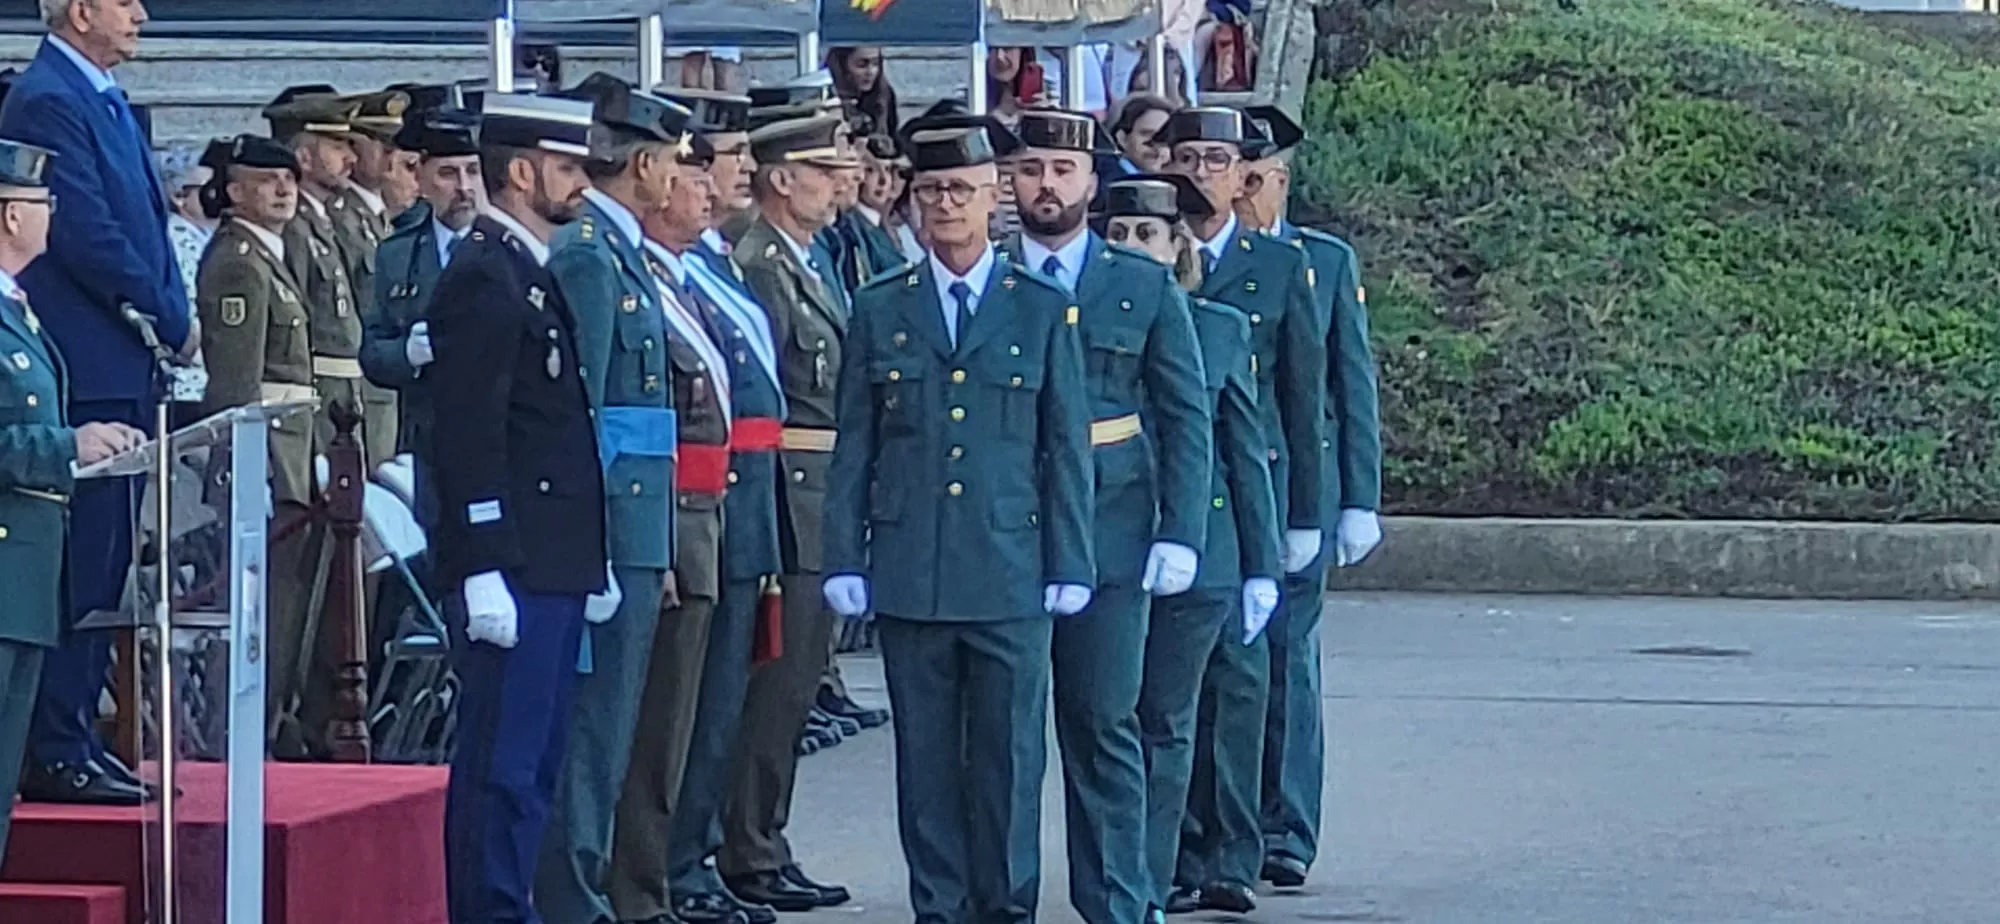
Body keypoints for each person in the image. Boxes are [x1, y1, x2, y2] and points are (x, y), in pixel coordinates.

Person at [820, 125, 1095, 924]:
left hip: (1010, 565)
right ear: (913, 201)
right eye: (933, 191)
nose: (947, 205)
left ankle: (1005, 905)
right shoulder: (881, 305)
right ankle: (938, 906)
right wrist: (844, 555)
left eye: (963, 191)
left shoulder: (1039, 307)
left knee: (1009, 755)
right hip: (914, 565)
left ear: (993, 199)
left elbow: (1064, 445)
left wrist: (1070, 560)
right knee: (927, 757)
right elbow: (857, 443)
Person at [998, 108, 1213, 924]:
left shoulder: (1141, 282)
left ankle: (1122, 898)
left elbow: (1184, 415)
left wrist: (1181, 531)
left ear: (1092, 180)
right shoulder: (988, 276)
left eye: (1062, 170)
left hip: (1112, 523)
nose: (1045, 185)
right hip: (1009, 523)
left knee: (1104, 722)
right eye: (1030, 170)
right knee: (1006, 736)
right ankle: (1003, 899)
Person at [427, 91, 607, 924]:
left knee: (534, 761)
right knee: (501, 764)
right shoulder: (484, 276)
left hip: (552, 557)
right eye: (567, 167)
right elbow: (469, 432)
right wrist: (482, 562)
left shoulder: (524, 269)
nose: (582, 183)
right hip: (516, 561)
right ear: (523, 173)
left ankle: (509, 904)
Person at [4, 0, 190, 805]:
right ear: (80, 11)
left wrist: (168, 306)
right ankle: (54, 744)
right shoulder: (49, 98)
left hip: (121, 357)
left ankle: (75, 733)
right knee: (80, 566)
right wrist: (167, 313)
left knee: (106, 564)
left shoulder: (101, 96)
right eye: (123, 1)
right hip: (84, 357)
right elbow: (84, 230)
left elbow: (146, 223)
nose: (141, 14)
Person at [1156, 105, 1324, 914]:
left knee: (1245, 679)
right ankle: (1182, 848)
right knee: (1172, 694)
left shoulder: (1281, 266)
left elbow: (1304, 397)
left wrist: (1311, 513)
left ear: (1244, 173)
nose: (1199, 172)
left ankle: (1239, 847)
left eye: (1215, 159)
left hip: (1247, 489)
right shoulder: (1142, 256)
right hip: (1163, 499)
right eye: (1185, 156)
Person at [1102, 172, 1280, 917]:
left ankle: (1151, 878)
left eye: (1147, 234)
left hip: (1201, 550)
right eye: (1118, 234)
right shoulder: (1081, 321)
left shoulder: (1217, 328)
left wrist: (1262, 564)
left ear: (1178, 245)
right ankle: (1128, 871)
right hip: (1109, 543)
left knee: (1168, 720)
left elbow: (1244, 450)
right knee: (1111, 720)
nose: (1131, 247)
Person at [533, 74, 688, 924]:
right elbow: (582, 412)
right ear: (643, 164)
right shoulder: (590, 255)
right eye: (671, 160)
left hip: (635, 524)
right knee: (592, 733)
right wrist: (591, 540)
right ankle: (571, 897)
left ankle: (584, 887)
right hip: (608, 525)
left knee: (615, 726)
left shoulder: (618, 250)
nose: (677, 176)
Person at [715, 113, 863, 916]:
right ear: (781, 179)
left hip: (820, 489)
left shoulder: (807, 258)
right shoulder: (760, 266)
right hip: (786, 490)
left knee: (797, 684)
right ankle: (749, 847)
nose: (839, 185)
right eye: (823, 171)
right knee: (775, 690)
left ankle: (763, 838)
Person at [1235, 105, 1383, 889]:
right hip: (1225, 487)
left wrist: (1359, 497)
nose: (1240, 192)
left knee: (1288, 658)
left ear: (1280, 182)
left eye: (1253, 178)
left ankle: (1286, 826)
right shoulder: (1197, 257)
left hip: (1297, 484)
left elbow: (1349, 386)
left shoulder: (1321, 261)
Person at [654, 123, 792, 924]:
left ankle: (699, 852)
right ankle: (681, 861)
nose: (713, 186)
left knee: (724, 703)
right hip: (706, 503)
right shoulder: (666, 272)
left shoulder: (711, 265)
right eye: (697, 171)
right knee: (693, 708)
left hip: (745, 500)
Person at [0, 136, 145, 853]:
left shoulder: (18, 310)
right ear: (10, 216)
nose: (51, 215)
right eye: (43, 202)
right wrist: (68, 446)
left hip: (27, 579)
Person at [608, 135, 733, 924]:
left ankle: (657, 880)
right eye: (689, 178)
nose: (708, 194)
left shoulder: (684, 281)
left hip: (700, 518)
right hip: (666, 522)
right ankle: (635, 890)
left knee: (680, 725)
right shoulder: (630, 279)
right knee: (650, 728)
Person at [360, 103, 482, 527]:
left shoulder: (507, 246)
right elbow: (372, 350)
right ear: (422, 178)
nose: (463, 187)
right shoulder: (399, 253)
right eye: (448, 174)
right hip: (429, 440)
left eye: (472, 172)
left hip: (501, 437)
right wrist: (406, 356)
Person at [827, 46, 899, 139]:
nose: (870, 72)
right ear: (843, 66)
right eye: (862, 65)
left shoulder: (884, 94)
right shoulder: (828, 98)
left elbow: (893, 135)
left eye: (876, 63)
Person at [1110, 94, 1177, 176]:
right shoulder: (1108, 179)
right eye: (1147, 134)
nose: (1157, 145)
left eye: (1165, 137)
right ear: (1122, 138)